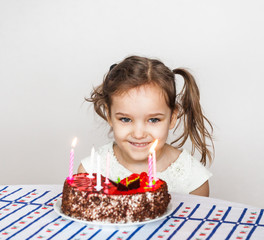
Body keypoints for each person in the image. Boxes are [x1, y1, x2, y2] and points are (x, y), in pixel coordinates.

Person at [78, 55, 214, 196]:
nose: (138, 134)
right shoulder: (91, 171)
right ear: (109, 115)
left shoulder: (192, 179)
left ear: (172, 117)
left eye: (154, 120)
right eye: (125, 119)